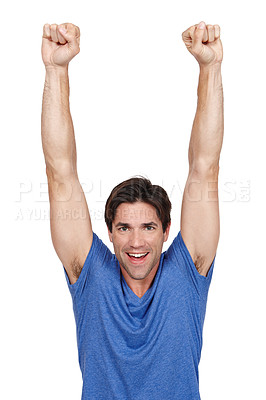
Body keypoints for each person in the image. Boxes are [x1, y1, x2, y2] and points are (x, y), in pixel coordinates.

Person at [41, 20, 223, 400]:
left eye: (148, 227)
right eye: (124, 228)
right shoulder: (90, 275)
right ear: (109, 232)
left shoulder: (186, 276)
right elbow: (60, 172)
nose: (136, 241)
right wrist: (56, 70)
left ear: (167, 229)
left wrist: (210, 68)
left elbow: (204, 166)